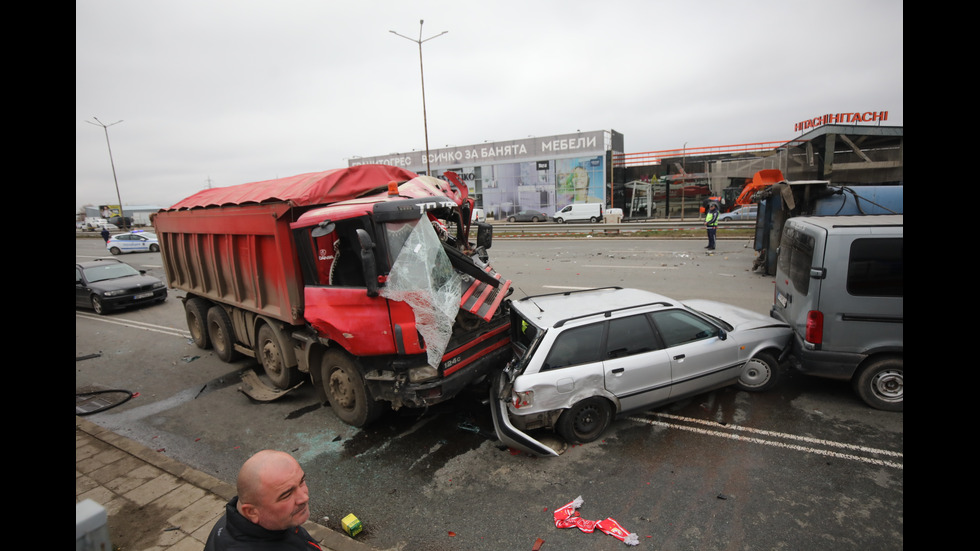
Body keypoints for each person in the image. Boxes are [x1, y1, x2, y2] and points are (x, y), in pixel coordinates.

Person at [204, 450, 321, 550]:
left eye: (301, 482)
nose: (304, 498)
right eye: (286, 495)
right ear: (251, 512)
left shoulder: (237, 519)